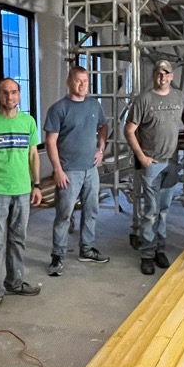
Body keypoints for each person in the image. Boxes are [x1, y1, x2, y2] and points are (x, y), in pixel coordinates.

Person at [0, 78, 44, 314]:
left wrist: (36, 185)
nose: (10, 97)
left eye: (14, 92)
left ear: (19, 95)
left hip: (22, 191)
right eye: (5, 92)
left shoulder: (28, 122)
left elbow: (33, 155)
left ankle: (14, 282)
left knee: (17, 240)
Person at [124, 59, 184, 276]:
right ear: (154, 75)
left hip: (171, 162)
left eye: (166, 73)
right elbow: (129, 130)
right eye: (159, 73)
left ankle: (159, 249)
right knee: (151, 212)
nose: (163, 77)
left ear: (172, 76)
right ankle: (147, 253)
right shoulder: (143, 100)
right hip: (152, 164)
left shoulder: (179, 97)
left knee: (163, 210)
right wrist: (142, 157)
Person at [44, 65, 111, 276]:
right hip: (69, 171)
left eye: (85, 81)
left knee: (91, 211)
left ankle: (87, 249)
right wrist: (58, 170)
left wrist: (101, 149)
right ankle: (57, 256)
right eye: (78, 81)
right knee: (64, 215)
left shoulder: (94, 105)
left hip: (91, 169)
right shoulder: (59, 109)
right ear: (69, 82)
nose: (82, 85)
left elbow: (103, 126)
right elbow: (50, 141)